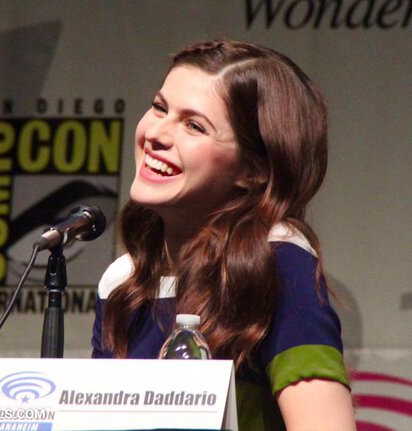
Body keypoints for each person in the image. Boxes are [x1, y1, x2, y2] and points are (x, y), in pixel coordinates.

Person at [91, 39, 355, 430]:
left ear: (254, 170)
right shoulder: (121, 282)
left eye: (194, 125)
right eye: (160, 107)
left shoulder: (277, 262)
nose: (156, 134)